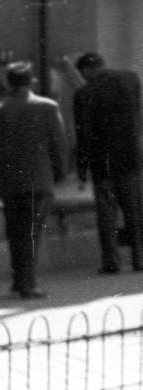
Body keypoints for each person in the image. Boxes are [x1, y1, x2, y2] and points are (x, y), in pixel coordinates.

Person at [0, 62, 67, 300]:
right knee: (31, 232)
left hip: (10, 181)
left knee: (15, 232)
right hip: (39, 180)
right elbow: (59, 145)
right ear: (32, 81)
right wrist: (59, 174)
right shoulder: (48, 107)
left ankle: (19, 279)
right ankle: (28, 283)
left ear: (8, 83)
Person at [72, 51, 143, 274]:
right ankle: (139, 258)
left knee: (106, 214)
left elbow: (82, 134)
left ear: (88, 70)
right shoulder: (130, 79)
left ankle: (111, 261)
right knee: (135, 210)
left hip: (102, 162)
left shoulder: (84, 94)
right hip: (131, 159)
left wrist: (82, 170)